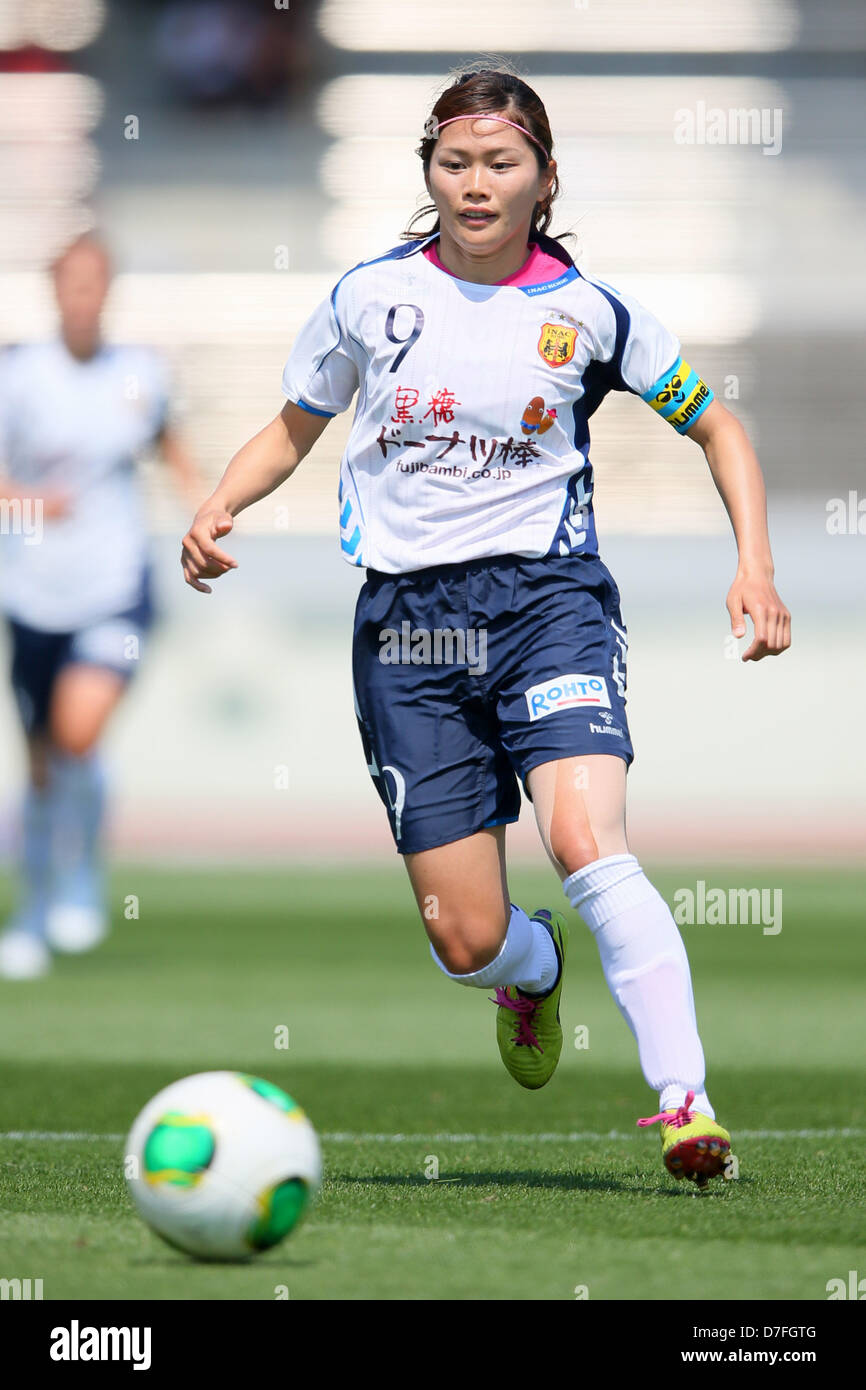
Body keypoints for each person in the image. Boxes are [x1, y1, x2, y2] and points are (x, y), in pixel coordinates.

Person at [181, 68, 791, 1187]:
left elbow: (721, 431)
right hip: (408, 633)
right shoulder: (368, 298)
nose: (474, 184)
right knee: (465, 939)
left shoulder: (590, 313)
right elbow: (291, 427)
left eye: (499, 163)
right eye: (454, 162)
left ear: (543, 180)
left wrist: (751, 565)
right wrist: (224, 500)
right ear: (428, 172)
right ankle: (533, 965)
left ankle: (683, 1100)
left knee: (584, 842)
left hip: (544, 607)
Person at [0, 232, 202, 980]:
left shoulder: (138, 374)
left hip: (114, 590)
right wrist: (25, 507)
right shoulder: (19, 375)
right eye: (71, 284)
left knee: (77, 733)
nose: (83, 297)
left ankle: (81, 884)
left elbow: (169, 445)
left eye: (95, 284)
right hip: (31, 595)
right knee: (43, 762)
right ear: (54, 290)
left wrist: (205, 509)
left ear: (107, 291)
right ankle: (31, 910)